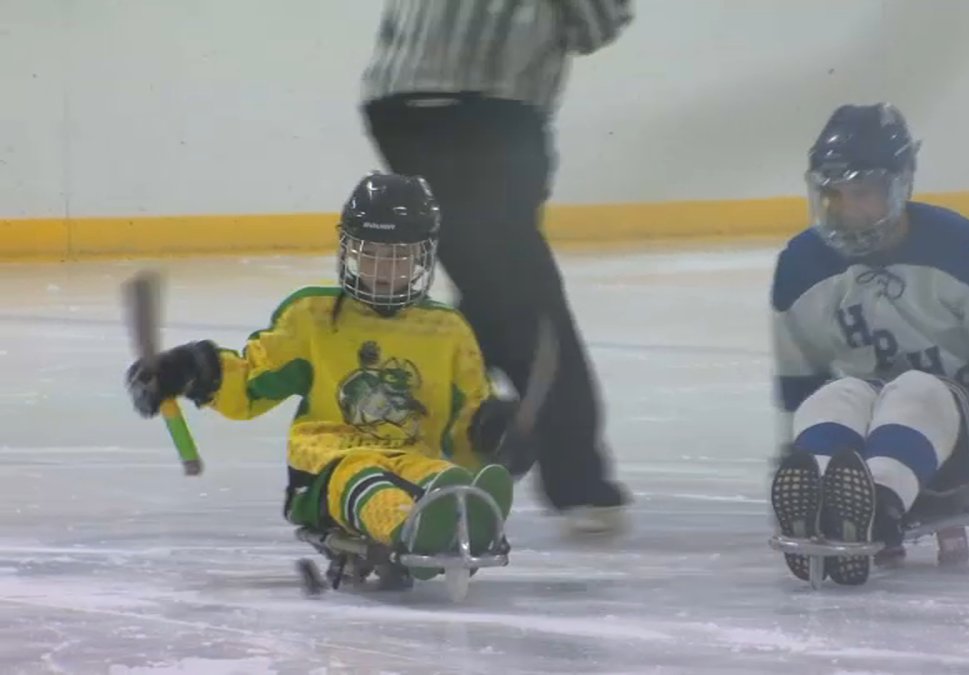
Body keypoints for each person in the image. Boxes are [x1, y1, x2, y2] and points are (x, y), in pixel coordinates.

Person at [125, 173, 531, 580]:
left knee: (441, 479)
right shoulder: (312, 317)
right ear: (349, 250)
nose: (383, 270)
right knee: (368, 482)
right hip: (326, 465)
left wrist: (491, 431)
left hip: (410, 457)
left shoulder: (447, 331)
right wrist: (190, 371)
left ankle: (462, 515)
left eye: (399, 256)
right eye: (370, 253)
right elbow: (250, 382)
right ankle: (410, 529)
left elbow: (463, 424)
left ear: (423, 256)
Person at [356, 0, 635, 535]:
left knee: (494, 286)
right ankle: (573, 477)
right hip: (489, 114)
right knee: (526, 295)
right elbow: (597, 24)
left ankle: (418, 432)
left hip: (398, 102)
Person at [769, 103, 969, 586]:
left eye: (862, 192)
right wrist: (792, 453)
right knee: (833, 397)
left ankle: (876, 506)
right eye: (833, 194)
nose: (845, 210)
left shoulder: (966, 251)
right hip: (865, 429)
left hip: (964, 441)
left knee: (917, 391)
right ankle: (826, 498)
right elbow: (800, 383)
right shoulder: (801, 264)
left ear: (899, 185)